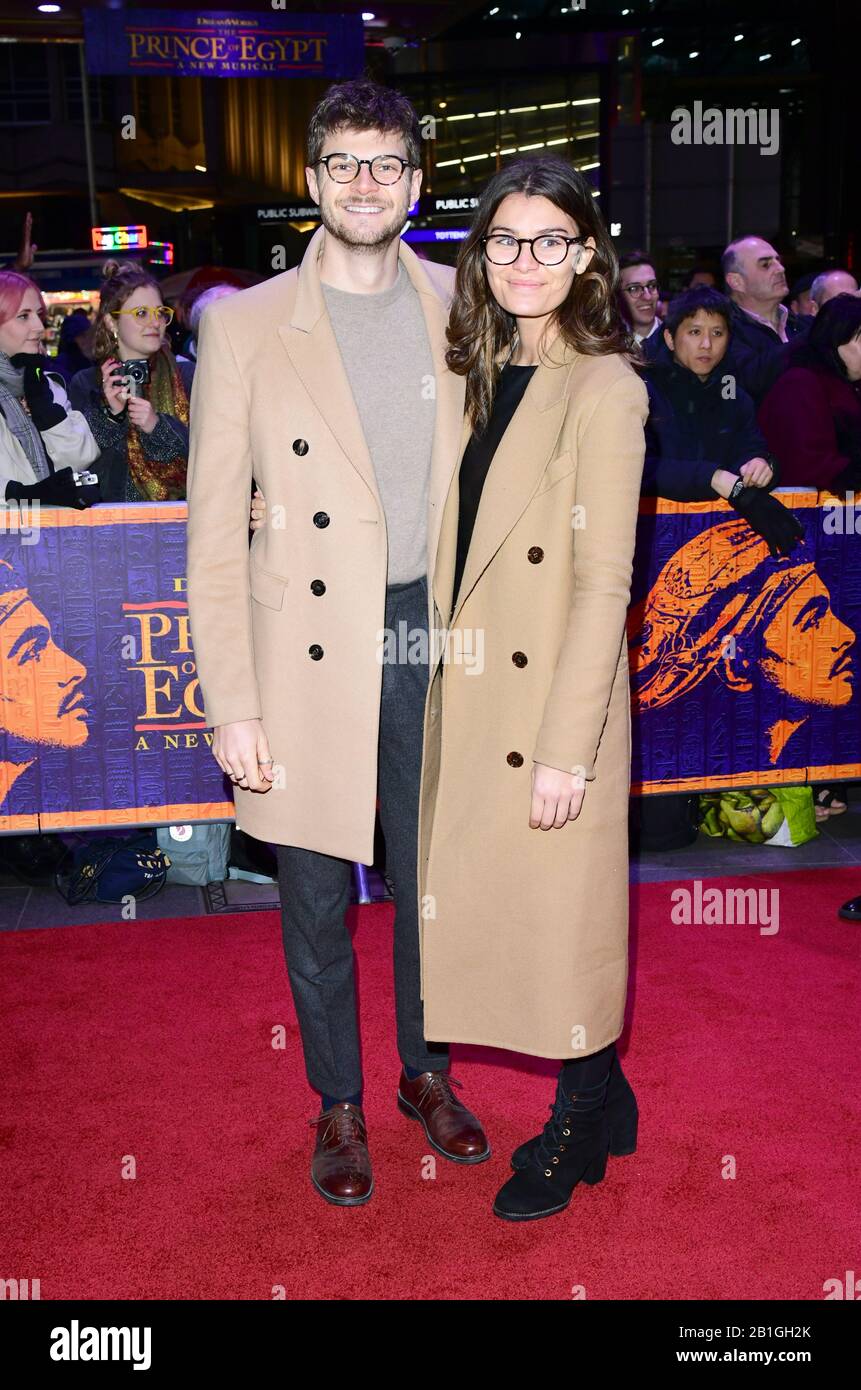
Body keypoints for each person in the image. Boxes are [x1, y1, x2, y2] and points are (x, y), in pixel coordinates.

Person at [186, 78, 489, 1210]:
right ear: (312, 180)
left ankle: (425, 1072)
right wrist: (234, 704)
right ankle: (339, 1100)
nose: (367, 183)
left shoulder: (469, 305)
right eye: (346, 164)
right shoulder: (247, 322)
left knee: (434, 881)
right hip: (305, 641)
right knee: (316, 892)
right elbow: (214, 530)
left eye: (388, 164)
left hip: (432, 631)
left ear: (416, 182)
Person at [416, 154, 647, 1222]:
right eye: (505, 240)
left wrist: (570, 745)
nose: (525, 261)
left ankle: (578, 1118)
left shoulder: (607, 385)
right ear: (481, 255)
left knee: (565, 928)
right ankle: (607, 1096)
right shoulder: (469, 371)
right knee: (495, 914)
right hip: (470, 695)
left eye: (551, 240)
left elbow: (605, 583)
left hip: (556, 702)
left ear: (586, 254)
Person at [640, 285, 803, 558]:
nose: (707, 344)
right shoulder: (643, 391)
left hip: (716, 545)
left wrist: (763, 466)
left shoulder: (733, 393)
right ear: (670, 338)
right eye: (695, 332)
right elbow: (637, 468)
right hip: (651, 539)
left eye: (717, 333)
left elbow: (751, 446)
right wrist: (713, 477)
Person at [69, 260, 191, 502]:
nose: (155, 322)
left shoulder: (188, 376)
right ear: (112, 322)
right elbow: (80, 466)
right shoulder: (86, 383)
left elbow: (211, 457)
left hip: (183, 522)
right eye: (141, 313)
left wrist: (156, 427)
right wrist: (110, 416)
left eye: (160, 312)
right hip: (114, 527)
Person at [0, 270, 99, 510]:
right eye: (24, 316)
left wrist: (45, 410)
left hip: (55, 537)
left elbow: (80, 459)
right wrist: (22, 494)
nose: (38, 326)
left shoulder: (48, 385)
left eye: (38, 314)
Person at [758, 293, 861, 492]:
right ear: (835, 339)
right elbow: (810, 466)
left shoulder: (848, 386)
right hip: (807, 513)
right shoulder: (800, 384)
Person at [721, 236, 807, 402]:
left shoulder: (800, 324)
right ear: (737, 282)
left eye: (778, 261)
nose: (780, 268)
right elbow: (751, 376)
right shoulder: (723, 330)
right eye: (766, 264)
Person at [618, 250, 663, 353]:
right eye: (634, 288)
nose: (647, 297)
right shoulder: (608, 345)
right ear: (618, 295)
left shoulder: (676, 340)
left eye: (651, 286)